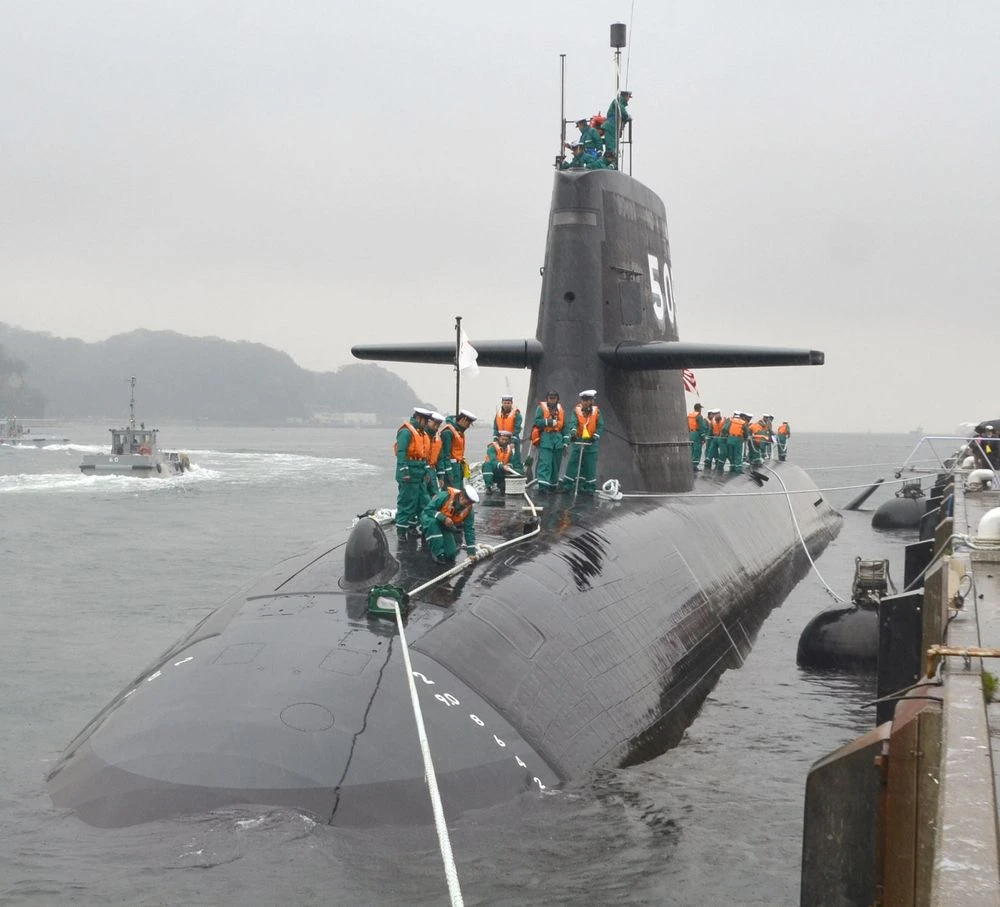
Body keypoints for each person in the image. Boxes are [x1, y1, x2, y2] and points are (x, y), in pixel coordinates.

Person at [421, 484, 479, 565]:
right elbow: (428, 510)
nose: (468, 504)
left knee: (451, 554)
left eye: (471, 503)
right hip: (430, 518)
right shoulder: (445, 496)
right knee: (433, 525)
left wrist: (471, 553)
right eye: (467, 500)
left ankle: (434, 539)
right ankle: (437, 554)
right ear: (461, 495)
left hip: (446, 525)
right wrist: (443, 518)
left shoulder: (469, 510)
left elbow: (469, 530)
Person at [394, 407, 430, 538]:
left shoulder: (421, 433)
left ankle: (412, 526)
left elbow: (424, 454)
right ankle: (402, 530)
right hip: (409, 472)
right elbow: (401, 452)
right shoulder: (406, 432)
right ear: (419, 418)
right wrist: (404, 471)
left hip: (419, 471)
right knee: (406, 501)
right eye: (425, 421)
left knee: (422, 501)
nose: (426, 424)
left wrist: (426, 471)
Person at [559, 389, 604, 494]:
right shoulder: (576, 411)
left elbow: (600, 425)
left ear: (593, 401)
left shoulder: (596, 412)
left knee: (590, 465)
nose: (587, 402)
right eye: (585, 400)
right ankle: (568, 485)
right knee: (573, 463)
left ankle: (588, 487)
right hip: (578, 441)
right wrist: (573, 433)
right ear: (581, 401)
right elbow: (573, 423)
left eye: (589, 400)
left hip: (591, 442)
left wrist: (595, 436)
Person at [532, 390, 566, 492]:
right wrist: (549, 422)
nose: (552, 400)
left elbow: (565, 426)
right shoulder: (540, 409)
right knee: (545, 463)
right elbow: (537, 422)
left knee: (556, 464)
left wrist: (566, 441)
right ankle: (543, 486)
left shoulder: (561, 411)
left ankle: (552, 485)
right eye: (550, 398)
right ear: (547, 399)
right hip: (546, 439)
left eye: (554, 398)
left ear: (557, 399)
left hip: (558, 441)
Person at [438, 409, 477, 488]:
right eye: (468, 423)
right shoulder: (448, 432)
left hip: (458, 467)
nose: (468, 426)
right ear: (463, 419)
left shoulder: (459, 432)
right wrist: (448, 471)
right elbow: (445, 454)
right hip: (452, 467)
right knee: (451, 491)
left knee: (458, 491)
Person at [492, 394, 524, 471]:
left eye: (508, 403)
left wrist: (513, 441)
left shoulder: (516, 414)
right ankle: (500, 471)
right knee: (499, 455)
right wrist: (495, 439)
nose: (506, 405)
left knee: (515, 457)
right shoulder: (498, 414)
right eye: (505, 403)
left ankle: (517, 470)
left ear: (511, 403)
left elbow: (517, 428)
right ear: (502, 403)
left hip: (511, 439)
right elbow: (495, 427)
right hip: (500, 439)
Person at [422, 411, 446, 510]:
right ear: (428, 421)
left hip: (432, 470)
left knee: (435, 495)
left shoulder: (437, 440)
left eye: (438, 424)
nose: (436, 427)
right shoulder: (421, 436)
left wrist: (441, 477)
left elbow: (440, 459)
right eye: (434, 423)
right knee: (423, 496)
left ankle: (431, 516)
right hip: (422, 470)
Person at [603, 90, 632, 155]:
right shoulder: (617, 102)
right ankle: (611, 158)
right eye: (628, 97)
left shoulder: (619, 103)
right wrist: (627, 117)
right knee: (611, 146)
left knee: (613, 144)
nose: (628, 99)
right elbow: (622, 111)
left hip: (613, 127)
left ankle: (612, 157)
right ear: (625, 96)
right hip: (611, 126)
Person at [725, 410, 749, 474]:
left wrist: (726, 435)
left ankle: (732, 467)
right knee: (738, 454)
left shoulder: (731, 421)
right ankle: (738, 469)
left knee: (731, 453)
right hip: (738, 439)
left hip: (730, 439)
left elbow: (725, 429)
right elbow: (746, 432)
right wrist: (746, 437)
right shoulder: (742, 422)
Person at [688, 402, 708, 471]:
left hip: (690, 434)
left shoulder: (690, 415)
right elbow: (701, 427)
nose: (701, 410)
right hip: (696, 434)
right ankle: (694, 466)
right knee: (697, 450)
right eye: (700, 408)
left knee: (691, 449)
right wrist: (703, 437)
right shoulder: (699, 416)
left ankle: (690, 464)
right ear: (699, 409)